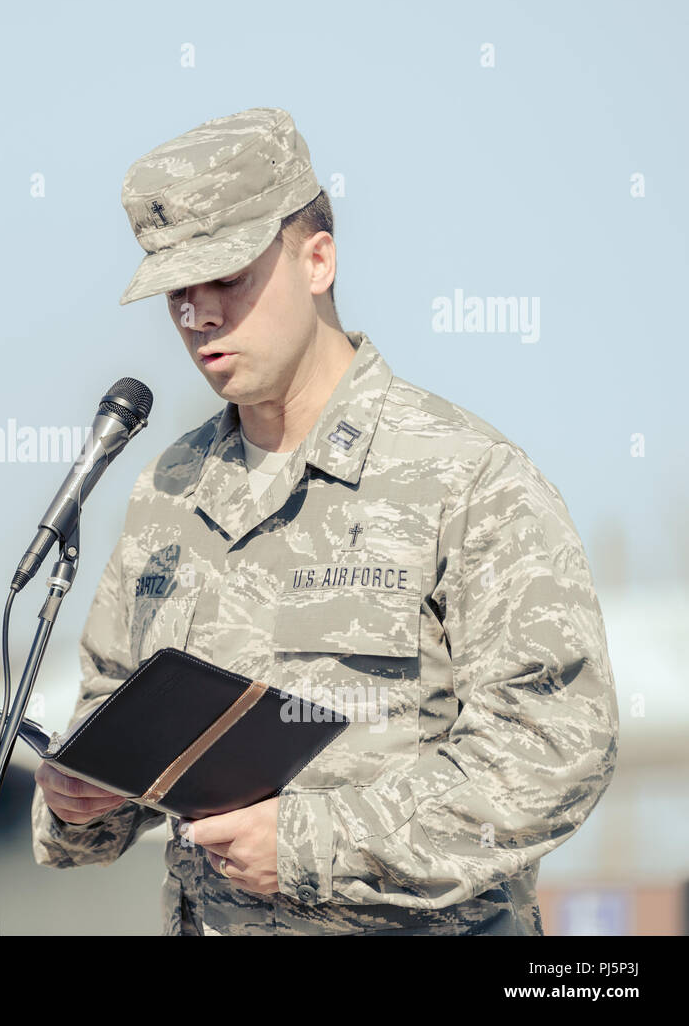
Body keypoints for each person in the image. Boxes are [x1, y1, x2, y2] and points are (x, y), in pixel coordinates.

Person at [30, 107, 619, 935]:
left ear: (317, 258)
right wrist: (82, 799)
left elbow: (553, 748)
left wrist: (313, 844)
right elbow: (110, 731)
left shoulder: (466, 476)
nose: (197, 316)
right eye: (176, 293)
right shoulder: (169, 491)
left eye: (225, 279)